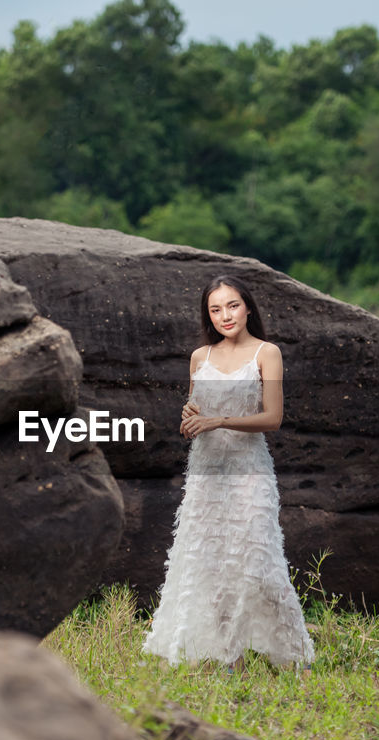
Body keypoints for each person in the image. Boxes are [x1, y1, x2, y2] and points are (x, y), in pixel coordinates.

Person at [142, 275, 315, 672]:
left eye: (232, 305)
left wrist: (218, 420)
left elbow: (272, 418)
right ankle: (227, 657)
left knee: (260, 561)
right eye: (216, 309)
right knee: (210, 565)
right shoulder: (199, 357)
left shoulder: (266, 353)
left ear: (248, 307)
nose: (225, 315)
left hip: (249, 470)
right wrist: (189, 416)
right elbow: (194, 410)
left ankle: (291, 659)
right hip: (206, 473)